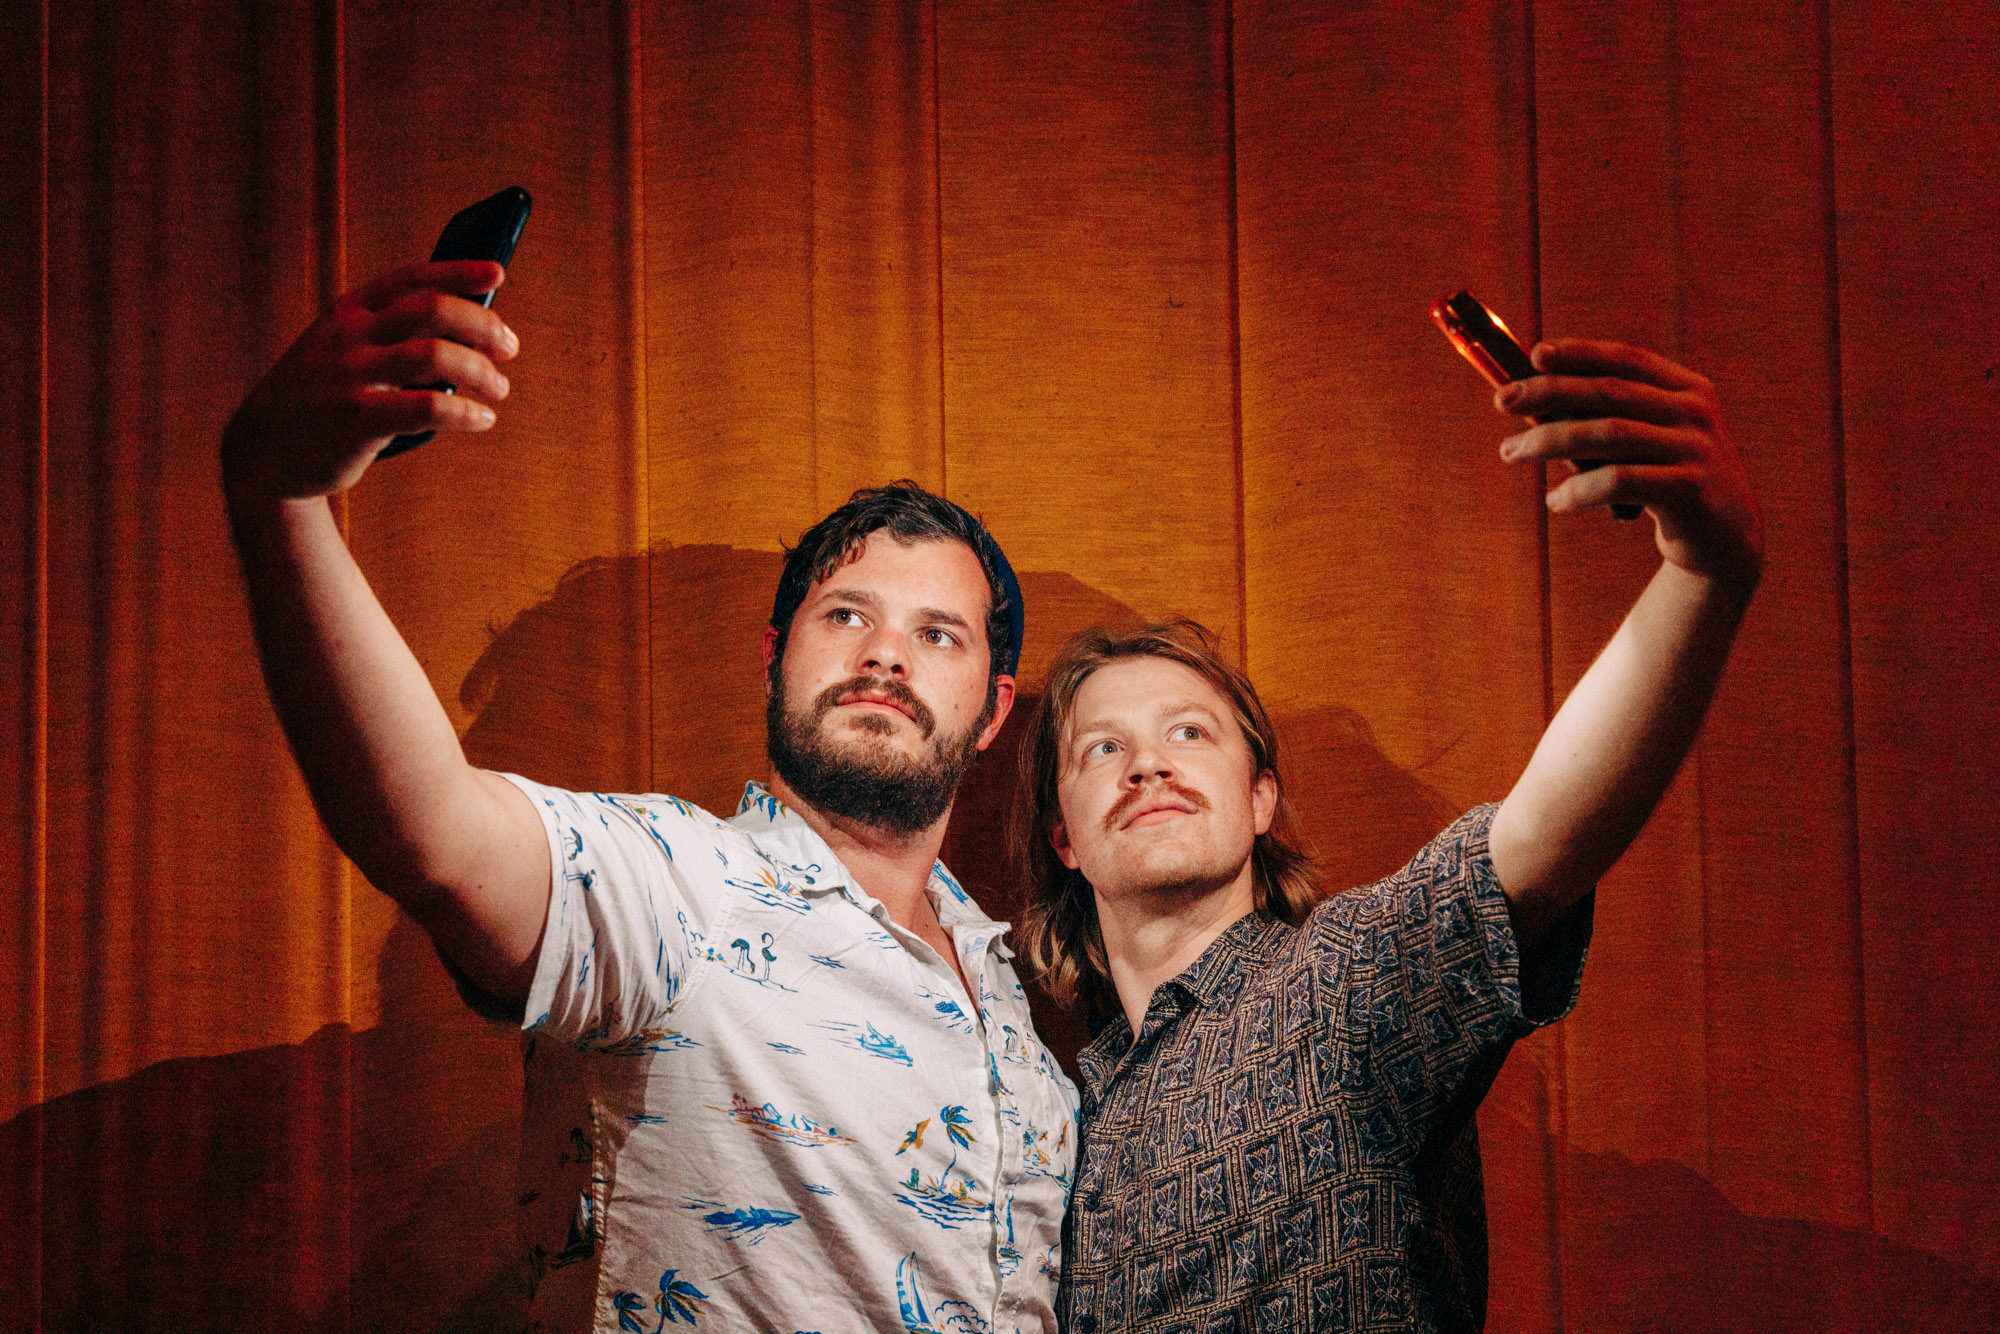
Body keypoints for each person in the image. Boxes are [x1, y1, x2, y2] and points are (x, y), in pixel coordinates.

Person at [221, 260, 1077, 1332]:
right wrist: (280, 498)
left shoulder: (1013, 996)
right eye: (846, 615)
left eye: (937, 634)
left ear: (993, 712)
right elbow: (434, 831)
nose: (886, 654)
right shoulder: (679, 890)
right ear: (773, 659)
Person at [1011, 338, 1762, 1332]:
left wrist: (1703, 575)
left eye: (1188, 732)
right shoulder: (1053, 1127)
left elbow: (1538, 837)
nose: (1147, 763)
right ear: (1062, 836)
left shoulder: (1345, 979)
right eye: (1103, 747)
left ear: (1260, 799)